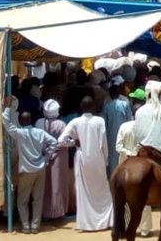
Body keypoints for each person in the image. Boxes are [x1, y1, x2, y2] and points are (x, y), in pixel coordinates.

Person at [2, 96, 58, 234]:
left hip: (26, 170)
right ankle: (35, 226)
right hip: (40, 169)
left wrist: (8, 108)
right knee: (37, 199)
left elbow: (6, 122)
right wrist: (46, 157)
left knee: (22, 200)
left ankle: (25, 226)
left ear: (21, 122)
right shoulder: (40, 133)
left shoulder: (19, 133)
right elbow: (54, 142)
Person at [58, 96, 113, 231]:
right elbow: (104, 143)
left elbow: (60, 140)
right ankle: (106, 221)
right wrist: (106, 159)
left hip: (82, 159)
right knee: (102, 190)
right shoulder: (99, 121)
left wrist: (73, 143)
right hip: (98, 158)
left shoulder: (75, 122)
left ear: (81, 108)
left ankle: (87, 223)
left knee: (83, 190)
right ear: (93, 107)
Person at [34, 99, 69, 220]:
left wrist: (47, 151)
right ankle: (58, 212)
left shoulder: (39, 122)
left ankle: (45, 212)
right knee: (58, 183)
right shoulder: (62, 124)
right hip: (59, 157)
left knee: (44, 184)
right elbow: (64, 142)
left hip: (43, 155)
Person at [101, 78, 133, 176]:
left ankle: (113, 177)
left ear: (110, 94)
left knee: (112, 156)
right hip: (124, 133)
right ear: (119, 94)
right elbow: (129, 120)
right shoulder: (125, 104)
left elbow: (104, 123)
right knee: (124, 153)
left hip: (111, 134)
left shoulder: (106, 106)